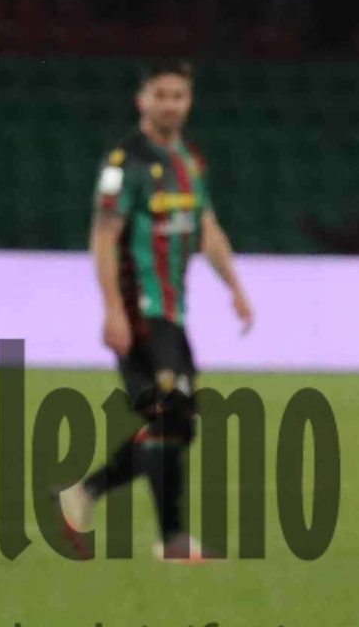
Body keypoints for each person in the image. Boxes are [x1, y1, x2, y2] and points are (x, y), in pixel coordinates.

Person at [57, 60, 253, 560]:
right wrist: (112, 310)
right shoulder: (125, 163)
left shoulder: (190, 159)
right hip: (140, 313)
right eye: (160, 95)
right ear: (141, 99)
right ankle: (166, 535)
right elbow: (103, 237)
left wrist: (234, 286)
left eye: (178, 95)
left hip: (171, 315)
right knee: (173, 416)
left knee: (176, 423)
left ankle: (97, 495)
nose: (170, 104)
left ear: (189, 101)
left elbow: (206, 227)